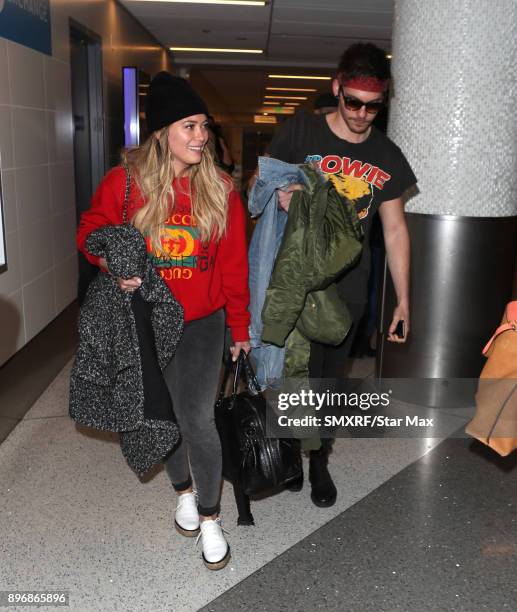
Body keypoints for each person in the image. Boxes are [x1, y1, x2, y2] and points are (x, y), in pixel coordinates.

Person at [77, 72, 250, 570]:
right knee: (163, 417)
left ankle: (212, 518)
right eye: (189, 126)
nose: (201, 137)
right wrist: (115, 265)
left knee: (197, 418)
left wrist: (239, 328)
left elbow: (234, 266)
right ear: (161, 133)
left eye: (203, 126)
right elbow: (91, 233)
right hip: (146, 320)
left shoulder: (219, 189)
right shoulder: (125, 184)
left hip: (201, 322)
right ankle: (184, 491)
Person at [249, 43, 416, 507]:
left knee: (326, 379)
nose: (362, 114)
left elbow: (396, 230)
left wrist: (403, 301)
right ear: (337, 87)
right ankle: (288, 453)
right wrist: (284, 189)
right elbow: (256, 191)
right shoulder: (299, 132)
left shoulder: (386, 154)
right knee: (286, 372)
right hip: (294, 279)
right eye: (353, 102)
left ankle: (318, 458)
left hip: (348, 287)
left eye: (373, 105)